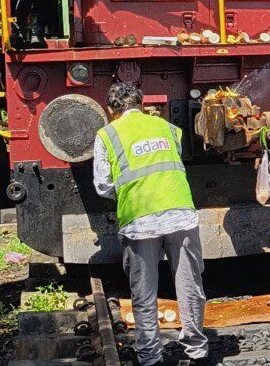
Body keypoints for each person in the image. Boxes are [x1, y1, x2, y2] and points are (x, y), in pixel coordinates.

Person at [93, 82, 207, 366]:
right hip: (180, 213)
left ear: (111, 110)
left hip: (139, 220)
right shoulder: (168, 128)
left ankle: (150, 357)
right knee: (190, 285)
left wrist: (130, 190)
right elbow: (171, 163)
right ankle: (197, 352)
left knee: (144, 293)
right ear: (142, 104)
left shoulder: (107, 135)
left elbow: (103, 185)